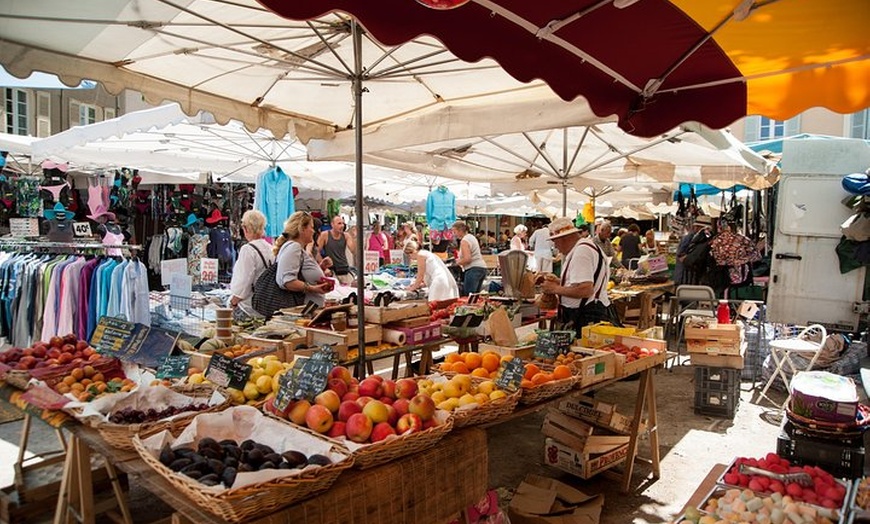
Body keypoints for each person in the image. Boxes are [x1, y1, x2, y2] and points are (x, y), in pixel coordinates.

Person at [540, 217, 615, 339]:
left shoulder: (581, 253)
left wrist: (554, 289)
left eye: (555, 241)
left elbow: (585, 290)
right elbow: (583, 281)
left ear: (564, 238)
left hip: (585, 316)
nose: (555, 246)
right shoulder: (585, 247)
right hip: (587, 313)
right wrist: (560, 281)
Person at [275, 211, 334, 307]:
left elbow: (301, 274)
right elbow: (288, 281)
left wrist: (320, 267)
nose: (313, 231)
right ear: (302, 229)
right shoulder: (294, 247)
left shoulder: (297, 249)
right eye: (311, 227)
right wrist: (312, 288)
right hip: (300, 311)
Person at [229, 210, 275, 319]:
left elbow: (243, 281)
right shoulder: (271, 248)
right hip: (265, 305)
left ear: (245, 228)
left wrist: (233, 302)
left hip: (248, 306)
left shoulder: (248, 250)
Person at [316, 215, 356, 285]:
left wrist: (353, 237)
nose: (342, 226)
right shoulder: (325, 235)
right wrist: (324, 267)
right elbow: (317, 252)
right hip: (332, 271)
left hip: (344, 270)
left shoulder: (346, 236)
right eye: (339, 223)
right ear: (332, 224)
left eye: (343, 223)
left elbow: (353, 250)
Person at [452, 220, 487, 295]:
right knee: (475, 297)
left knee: (469, 297)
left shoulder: (464, 241)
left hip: (473, 269)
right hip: (481, 268)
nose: (454, 234)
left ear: (460, 230)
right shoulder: (471, 237)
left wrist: (456, 262)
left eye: (454, 232)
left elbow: (467, 259)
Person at [674, 215, 711, 285]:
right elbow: (681, 255)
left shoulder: (698, 238)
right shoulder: (691, 237)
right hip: (689, 275)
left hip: (689, 276)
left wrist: (686, 258)